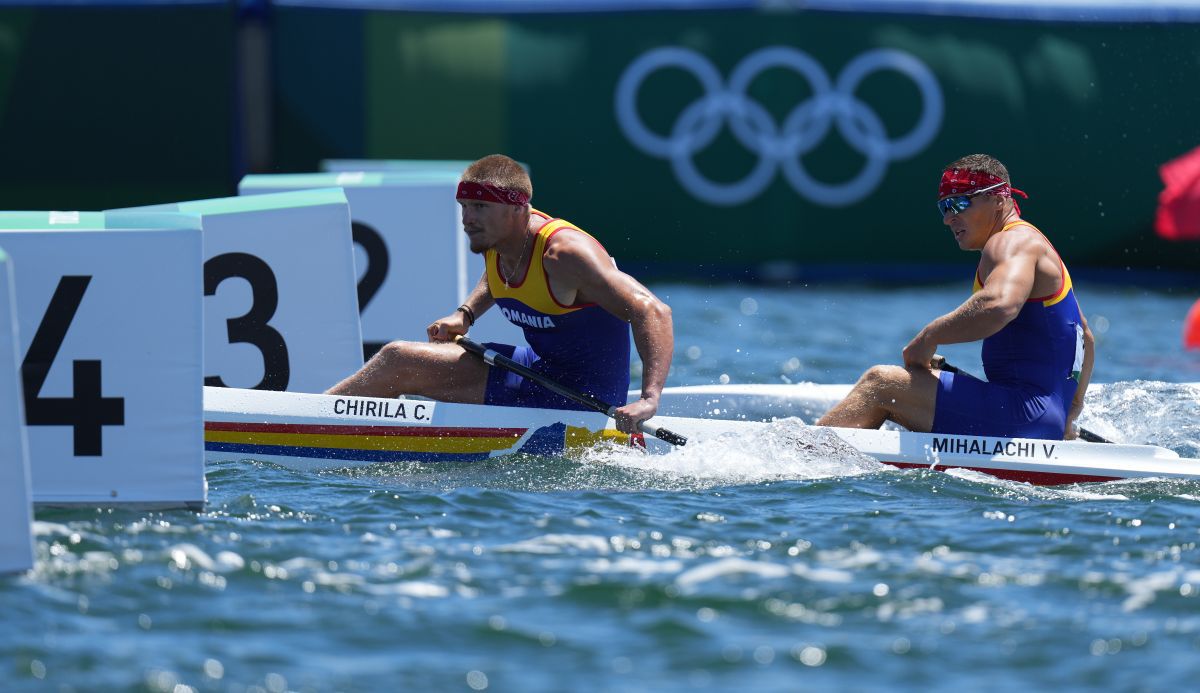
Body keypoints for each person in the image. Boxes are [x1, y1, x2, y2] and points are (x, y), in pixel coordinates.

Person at [328, 154, 674, 434]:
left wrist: (649, 400)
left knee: (399, 361)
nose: (467, 219)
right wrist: (465, 314)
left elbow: (653, 310)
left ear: (517, 208)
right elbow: (498, 277)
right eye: (464, 206)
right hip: (537, 371)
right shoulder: (499, 241)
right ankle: (319, 421)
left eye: (480, 207)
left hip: (585, 400)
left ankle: (312, 424)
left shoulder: (565, 255)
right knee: (399, 360)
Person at [817, 153, 1095, 440]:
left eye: (959, 203)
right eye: (943, 207)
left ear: (998, 199)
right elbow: (1086, 336)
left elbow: (999, 305)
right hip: (1039, 416)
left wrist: (928, 337)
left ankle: (801, 457)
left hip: (1022, 414)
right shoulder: (1035, 244)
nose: (948, 218)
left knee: (882, 384)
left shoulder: (1011, 241)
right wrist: (1070, 411)